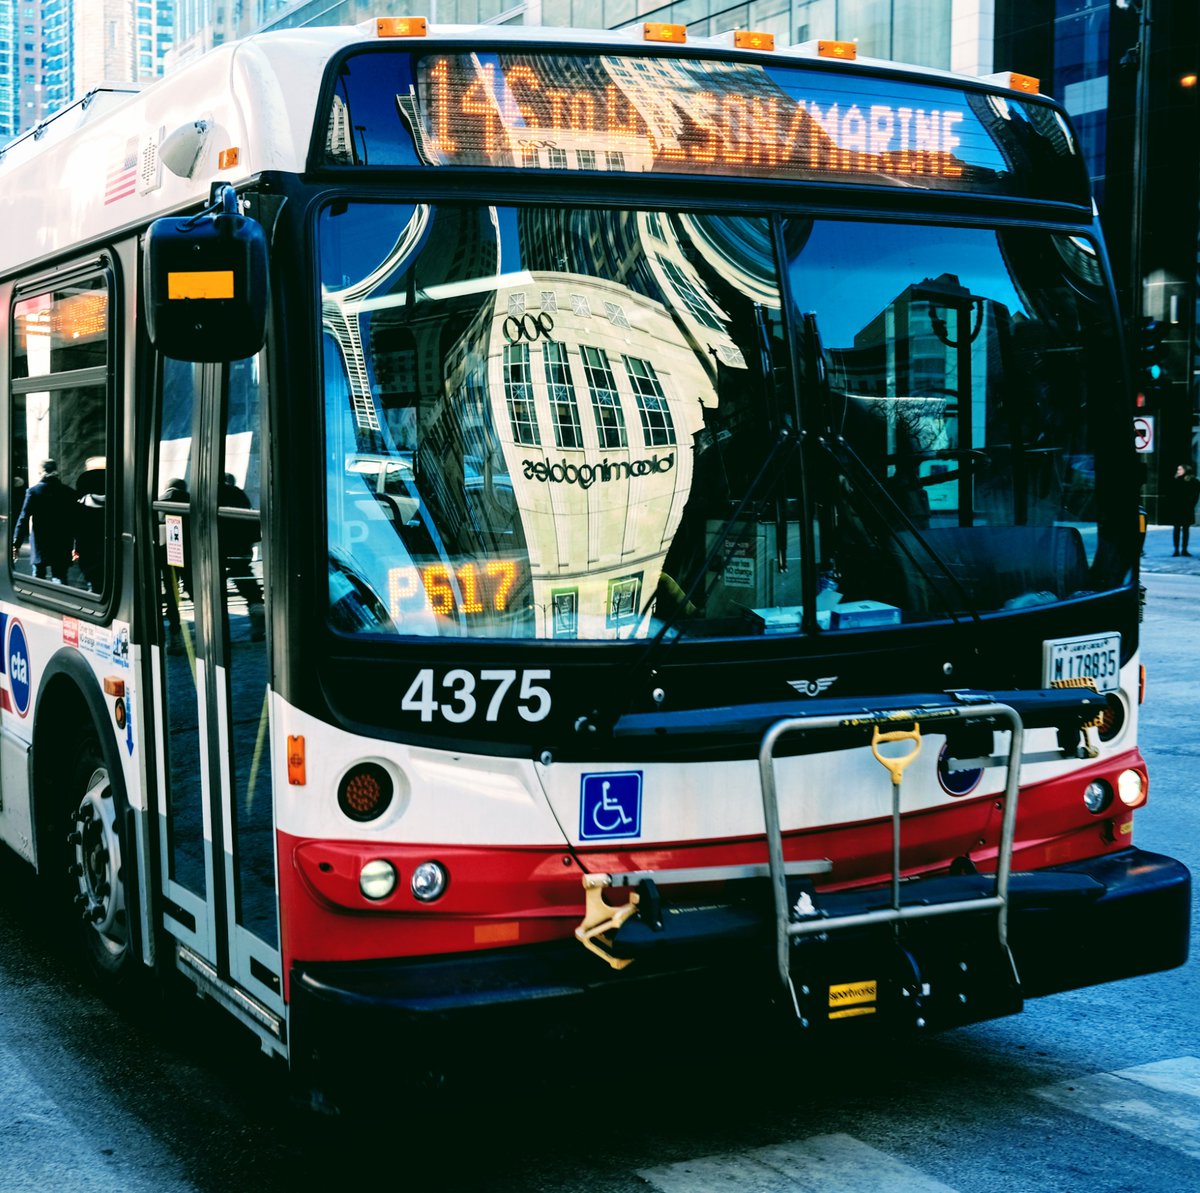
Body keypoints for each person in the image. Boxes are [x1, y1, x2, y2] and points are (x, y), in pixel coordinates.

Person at [11, 458, 77, 582]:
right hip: (62, 542)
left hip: (41, 543)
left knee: (38, 578)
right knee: (60, 577)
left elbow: (23, 518)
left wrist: (16, 543)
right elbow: (75, 521)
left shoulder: (33, 492)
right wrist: (76, 545)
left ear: (41, 472)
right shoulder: (68, 492)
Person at [219, 473, 265, 641]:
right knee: (244, 577)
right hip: (240, 546)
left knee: (215, 581)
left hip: (221, 546)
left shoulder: (215, 492)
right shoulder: (239, 494)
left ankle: (216, 621)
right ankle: (256, 607)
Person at [1167, 463, 1200, 557]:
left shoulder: (1193, 481)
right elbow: (1170, 494)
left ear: (1186, 470)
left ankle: (1184, 549)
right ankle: (1176, 549)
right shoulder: (1175, 480)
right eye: (1178, 469)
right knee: (1176, 529)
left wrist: (1191, 505)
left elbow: (1195, 495)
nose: (1178, 471)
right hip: (1177, 508)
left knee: (1186, 529)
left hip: (1187, 508)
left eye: (1180, 469)